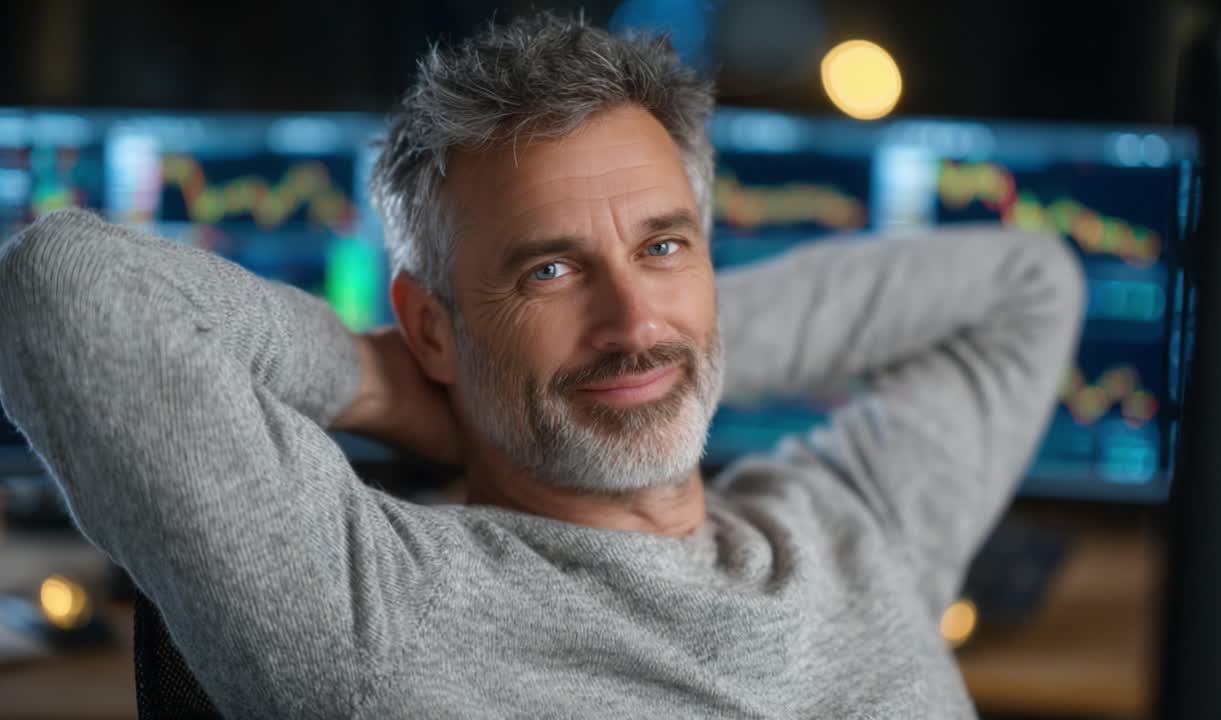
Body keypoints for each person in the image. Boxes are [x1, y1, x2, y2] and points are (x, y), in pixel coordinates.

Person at [0, 13, 1083, 720]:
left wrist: (654, 346)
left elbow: (1026, 284)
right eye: (552, 270)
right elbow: (59, 286)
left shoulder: (860, 525)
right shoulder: (379, 617)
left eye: (663, 247)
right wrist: (395, 385)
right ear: (429, 325)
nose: (628, 318)